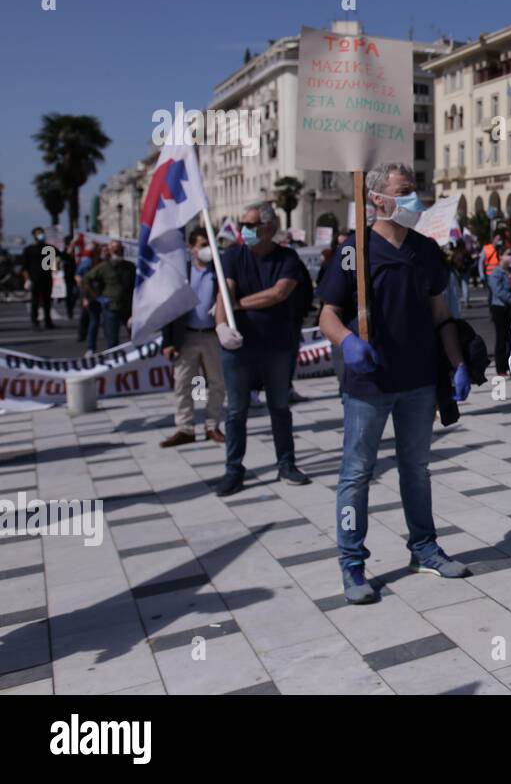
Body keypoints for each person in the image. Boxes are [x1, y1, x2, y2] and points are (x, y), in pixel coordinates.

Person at [318, 162, 473, 603]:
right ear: (377, 200)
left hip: (419, 380)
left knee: (417, 469)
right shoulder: (355, 250)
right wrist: (346, 341)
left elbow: (441, 315)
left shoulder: (426, 251)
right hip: (368, 383)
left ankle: (423, 548)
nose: (414, 198)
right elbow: (327, 313)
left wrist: (457, 362)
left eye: (415, 188)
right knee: (356, 473)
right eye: (404, 191)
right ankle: (352, 563)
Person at [212, 203, 311, 497]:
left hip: (277, 346)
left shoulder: (288, 258)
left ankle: (286, 463)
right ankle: (233, 469)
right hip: (239, 347)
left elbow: (278, 293)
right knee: (236, 411)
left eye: (251, 224)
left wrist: (238, 305)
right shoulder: (232, 256)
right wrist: (220, 324)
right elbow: (224, 292)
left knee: (280, 407)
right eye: (244, 223)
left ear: (269, 229)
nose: (245, 229)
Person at [159, 228, 226, 447]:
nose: (206, 249)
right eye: (202, 245)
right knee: (183, 383)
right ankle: (185, 428)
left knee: (216, 383)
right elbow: (170, 308)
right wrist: (168, 341)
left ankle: (212, 425)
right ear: (191, 248)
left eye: (209, 244)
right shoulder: (182, 272)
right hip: (186, 336)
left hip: (212, 336)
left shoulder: (219, 272)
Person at [86, 241, 135, 348]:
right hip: (111, 307)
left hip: (128, 308)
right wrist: (97, 297)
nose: (119, 253)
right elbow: (86, 279)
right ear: (110, 251)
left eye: (121, 250)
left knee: (135, 337)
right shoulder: (103, 267)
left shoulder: (130, 267)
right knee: (112, 340)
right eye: (116, 250)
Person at [486, 245, 511, 377]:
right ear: (500, 256)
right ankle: (501, 368)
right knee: (501, 338)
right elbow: (498, 291)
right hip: (500, 308)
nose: (510, 256)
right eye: (508, 253)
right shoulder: (495, 273)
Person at [20, 227, 55, 330]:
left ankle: (48, 321)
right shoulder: (28, 250)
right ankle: (35, 321)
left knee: (47, 301)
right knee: (35, 301)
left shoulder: (49, 248)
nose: (41, 235)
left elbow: (52, 265)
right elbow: (24, 267)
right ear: (34, 235)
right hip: (34, 279)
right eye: (39, 233)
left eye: (42, 233)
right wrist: (27, 279)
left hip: (47, 278)